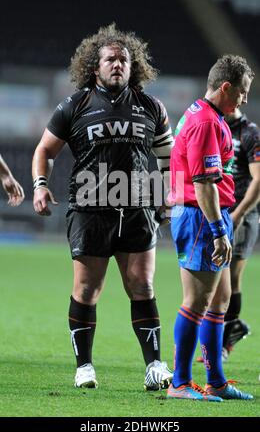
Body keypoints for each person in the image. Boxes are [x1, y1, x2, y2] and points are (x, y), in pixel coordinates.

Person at [32, 24, 173, 391]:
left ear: (133, 65)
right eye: (110, 59)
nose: (117, 64)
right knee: (87, 291)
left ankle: (155, 365)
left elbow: (167, 159)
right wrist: (40, 185)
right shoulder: (75, 104)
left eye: (123, 59)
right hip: (90, 209)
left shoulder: (151, 107)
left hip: (138, 207)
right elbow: (44, 151)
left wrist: (167, 199)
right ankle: (84, 367)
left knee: (142, 286)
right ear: (95, 67)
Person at [167, 54, 254, 401]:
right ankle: (180, 383)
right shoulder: (206, 122)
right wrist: (219, 229)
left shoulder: (202, 114)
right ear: (226, 87)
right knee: (197, 301)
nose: (245, 99)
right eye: (243, 92)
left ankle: (216, 380)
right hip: (201, 217)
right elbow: (203, 184)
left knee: (219, 301)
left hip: (206, 215)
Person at [221, 109, 260, 360]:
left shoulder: (250, 132)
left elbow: (258, 179)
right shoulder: (215, 125)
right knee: (217, 280)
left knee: (232, 279)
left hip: (242, 216)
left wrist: (239, 214)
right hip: (219, 213)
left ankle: (224, 343)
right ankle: (230, 329)